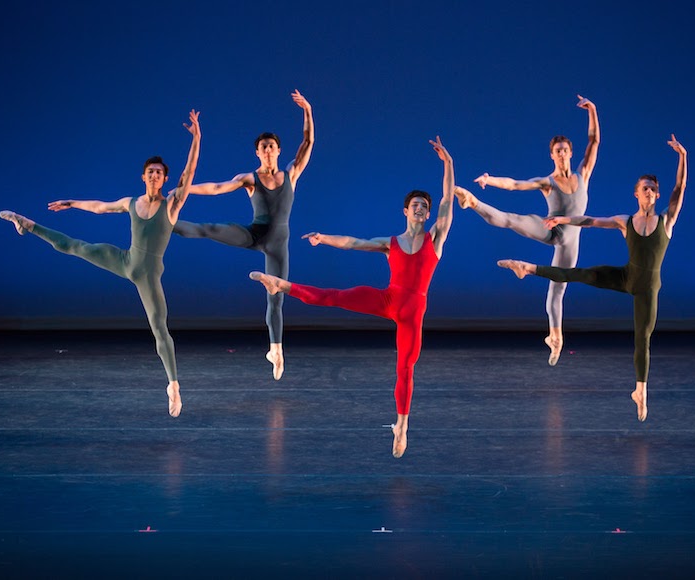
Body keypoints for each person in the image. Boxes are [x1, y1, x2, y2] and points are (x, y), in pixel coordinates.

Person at [250, 137, 455, 458]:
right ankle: (281, 286)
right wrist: (324, 238)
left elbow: (447, 199)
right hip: (388, 300)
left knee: (405, 369)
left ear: (428, 215)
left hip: (413, 312)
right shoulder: (391, 243)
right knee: (336, 296)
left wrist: (448, 162)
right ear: (405, 211)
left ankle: (401, 426)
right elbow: (354, 242)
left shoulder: (436, 238)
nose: (420, 208)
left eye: (424, 206)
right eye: (415, 204)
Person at [0, 110, 201, 418]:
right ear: (143, 176)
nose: (155, 176)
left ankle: (173, 386)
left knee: (160, 329)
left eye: (160, 173)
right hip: (125, 261)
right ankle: (28, 225)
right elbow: (99, 208)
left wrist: (197, 138)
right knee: (76, 246)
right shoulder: (131, 202)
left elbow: (189, 174)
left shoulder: (171, 204)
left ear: (165, 179)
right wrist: (72, 202)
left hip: (148, 276)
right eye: (151, 172)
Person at [498, 135, 687, 422]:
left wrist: (682, 156)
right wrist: (564, 220)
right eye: (644, 188)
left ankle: (640, 391)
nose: (649, 192)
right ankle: (528, 268)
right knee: (579, 274)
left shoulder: (666, 221)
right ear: (636, 193)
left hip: (648, 290)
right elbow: (590, 221)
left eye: (653, 189)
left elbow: (680, 187)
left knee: (642, 338)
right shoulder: (626, 221)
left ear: (657, 195)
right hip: (626, 277)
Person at [172, 90, 314, 381]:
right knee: (208, 229)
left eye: (272, 146)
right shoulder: (249, 178)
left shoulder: (292, 173)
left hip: (277, 245)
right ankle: (163, 222)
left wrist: (308, 110)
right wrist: (184, 190)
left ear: (278, 150)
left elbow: (308, 141)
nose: (268, 150)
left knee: (275, 297)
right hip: (253, 235)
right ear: (257, 153)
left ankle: (276, 349)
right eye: (263, 147)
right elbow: (216, 187)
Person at [454, 95, 600, 366]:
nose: (561, 154)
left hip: (570, 242)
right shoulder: (547, 182)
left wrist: (592, 110)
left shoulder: (583, 175)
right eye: (556, 150)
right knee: (512, 220)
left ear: (570, 152)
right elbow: (515, 185)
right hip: (549, 230)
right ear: (552, 155)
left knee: (557, 290)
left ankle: (555, 337)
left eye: (564, 149)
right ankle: (472, 202)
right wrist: (490, 180)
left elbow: (594, 141)